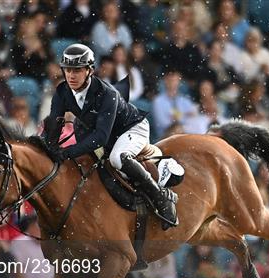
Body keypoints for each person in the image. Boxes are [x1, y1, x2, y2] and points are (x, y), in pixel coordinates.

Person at [44, 43, 178, 230]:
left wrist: (67, 152)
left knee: (117, 158)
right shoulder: (62, 92)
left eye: (77, 70)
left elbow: (100, 137)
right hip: (101, 132)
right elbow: (54, 124)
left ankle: (161, 198)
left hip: (132, 128)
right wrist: (47, 149)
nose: (71, 76)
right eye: (67, 70)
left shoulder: (107, 93)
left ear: (89, 70)